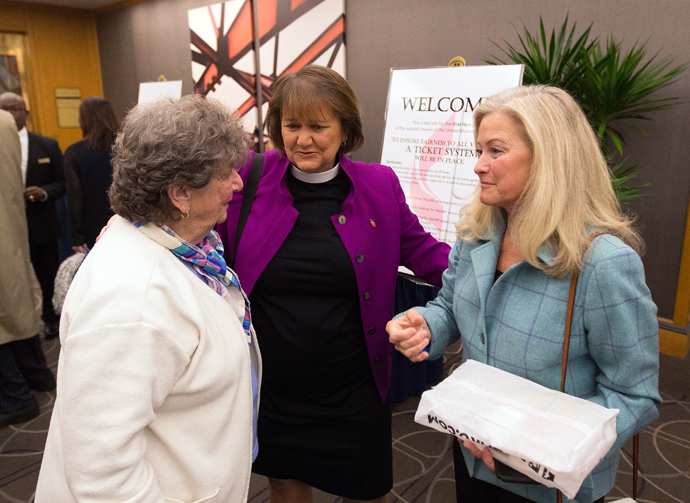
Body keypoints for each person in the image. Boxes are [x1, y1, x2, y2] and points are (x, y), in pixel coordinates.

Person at [387, 85, 661, 503]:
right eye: (478, 150)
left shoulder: (603, 262)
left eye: (495, 150)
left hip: (550, 484)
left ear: (549, 158)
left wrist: (546, 450)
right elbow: (449, 306)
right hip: (471, 452)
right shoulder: (476, 233)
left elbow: (634, 394)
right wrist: (427, 326)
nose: (478, 166)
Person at [216, 64, 451, 503]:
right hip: (273, 386)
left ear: (346, 131)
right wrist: (129, 224)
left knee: (367, 490)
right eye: (292, 125)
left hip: (354, 387)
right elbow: (192, 225)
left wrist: (496, 273)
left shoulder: (379, 186)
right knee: (284, 482)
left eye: (318, 126)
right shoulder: (247, 178)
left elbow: (425, 253)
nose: (302, 140)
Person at [35, 95, 260, 502]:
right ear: (179, 194)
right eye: (225, 173)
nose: (238, 183)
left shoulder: (182, 246)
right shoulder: (131, 300)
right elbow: (103, 475)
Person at [0, 110, 56, 428]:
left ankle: (14, 395)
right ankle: (37, 374)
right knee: (17, 304)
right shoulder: (6, 124)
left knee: (6, 313)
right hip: (13, 236)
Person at [0, 92, 66, 340]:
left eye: (14, 108)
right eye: (3, 108)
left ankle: (50, 318)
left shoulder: (45, 145)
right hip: (7, 226)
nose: (9, 113)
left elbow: (62, 183)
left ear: (26, 113)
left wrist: (44, 192)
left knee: (46, 273)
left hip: (40, 222)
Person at [64, 96, 119, 252]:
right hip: (129, 222)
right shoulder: (128, 145)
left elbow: (75, 198)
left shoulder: (75, 152)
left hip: (94, 229)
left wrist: (77, 238)